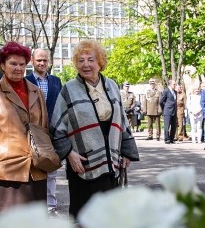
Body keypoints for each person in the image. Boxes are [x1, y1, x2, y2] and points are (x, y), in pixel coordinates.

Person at [51, 40, 139, 217]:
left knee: (109, 220)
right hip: (82, 165)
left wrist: (126, 151)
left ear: (100, 62)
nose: (86, 64)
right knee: (88, 220)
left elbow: (122, 120)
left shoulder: (112, 86)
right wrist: (69, 154)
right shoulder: (68, 89)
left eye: (90, 59)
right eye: (81, 60)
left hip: (110, 164)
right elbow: (56, 127)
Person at [0, 42, 48, 213]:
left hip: (35, 168)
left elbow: (45, 127)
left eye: (22, 64)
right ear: (2, 65)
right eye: (13, 63)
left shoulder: (36, 92)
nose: (18, 68)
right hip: (5, 169)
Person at [25, 48, 63, 216]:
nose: (41, 63)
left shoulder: (56, 81)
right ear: (32, 61)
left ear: (48, 62)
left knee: (52, 169)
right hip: (34, 131)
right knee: (34, 168)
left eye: (44, 60)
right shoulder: (26, 81)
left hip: (52, 132)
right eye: (38, 60)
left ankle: (51, 206)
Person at [159, 78, 178, 144]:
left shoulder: (175, 92)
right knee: (167, 126)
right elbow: (161, 101)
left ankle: (171, 138)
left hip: (174, 111)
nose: (175, 85)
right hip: (167, 111)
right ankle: (166, 139)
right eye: (174, 84)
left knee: (173, 126)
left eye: (175, 84)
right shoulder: (166, 91)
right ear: (170, 84)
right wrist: (165, 107)